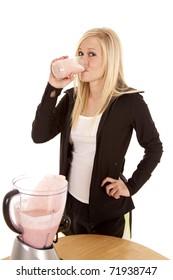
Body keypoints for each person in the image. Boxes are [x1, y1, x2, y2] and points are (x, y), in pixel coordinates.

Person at [31, 27, 163, 239]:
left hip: (108, 214)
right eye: (81, 53)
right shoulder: (72, 98)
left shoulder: (130, 102)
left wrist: (131, 186)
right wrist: (52, 87)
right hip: (71, 208)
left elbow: (154, 147)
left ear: (110, 60)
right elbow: (39, 135)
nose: (83, 61)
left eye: (92, 54)